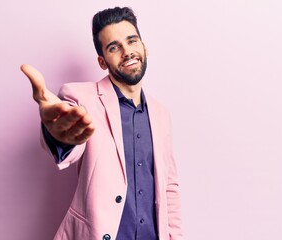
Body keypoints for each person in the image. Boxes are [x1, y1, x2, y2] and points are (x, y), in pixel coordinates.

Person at [21, 6, 183, 240]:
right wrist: (57, 136)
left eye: (132, 41)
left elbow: (169, 187)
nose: (127, 52)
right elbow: (69, 135)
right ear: (102, 61)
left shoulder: (161, 114)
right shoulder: (80, 98)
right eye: (114, 47)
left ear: (144, 47)